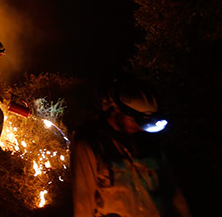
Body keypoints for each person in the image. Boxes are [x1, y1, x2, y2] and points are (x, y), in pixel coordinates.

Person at [71, 77, 193, 217]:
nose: (141, 128)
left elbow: (173, 192)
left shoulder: (149, 141)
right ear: (116, 110)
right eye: (137, 121)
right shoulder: (89, 142)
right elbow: (83, 203)